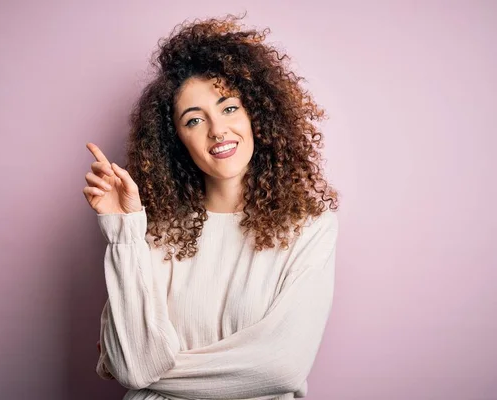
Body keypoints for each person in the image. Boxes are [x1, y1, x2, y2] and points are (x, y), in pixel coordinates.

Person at [82, 13, 340, 400]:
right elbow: (133, 363)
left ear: (258, 114)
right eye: (194, 120)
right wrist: (123, 232)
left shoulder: (309, 226)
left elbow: (281, 366)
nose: (217, 130)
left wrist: (140, 371)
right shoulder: (153, 231)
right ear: (176, 141)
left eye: (229, 108)